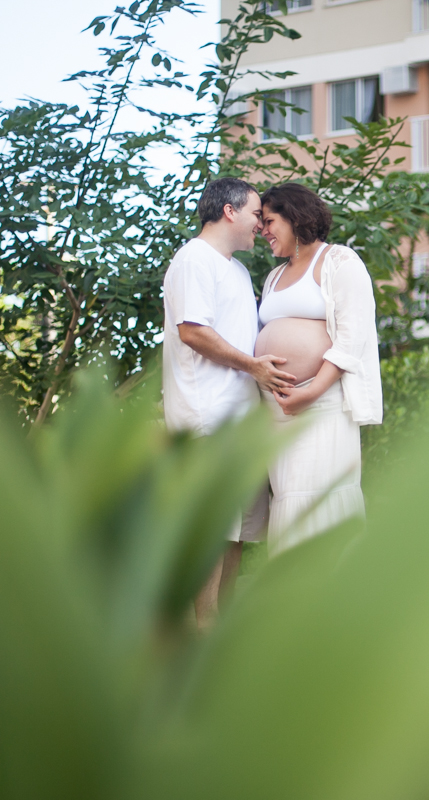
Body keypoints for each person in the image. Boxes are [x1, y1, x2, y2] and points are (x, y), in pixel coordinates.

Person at [162, 177, 296, 628]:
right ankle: (200, 634)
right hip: (207, 418)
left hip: (242, 420)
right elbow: (193, 332)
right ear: (229, 211)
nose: (261, 224)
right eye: (257, 214)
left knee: (235, 534)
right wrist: (254, 367)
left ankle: (219, 631)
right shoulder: (193, 260)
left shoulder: (236, 270)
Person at [256, 183, 382, 556]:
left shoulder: (339, 261)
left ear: (295, 217)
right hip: (277, 410)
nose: (263, 230)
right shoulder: (274, 276)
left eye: (269, 221)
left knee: (321, 495)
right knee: (289, 497)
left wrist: (311, 391)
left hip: (321, 403)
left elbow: (352, 336)